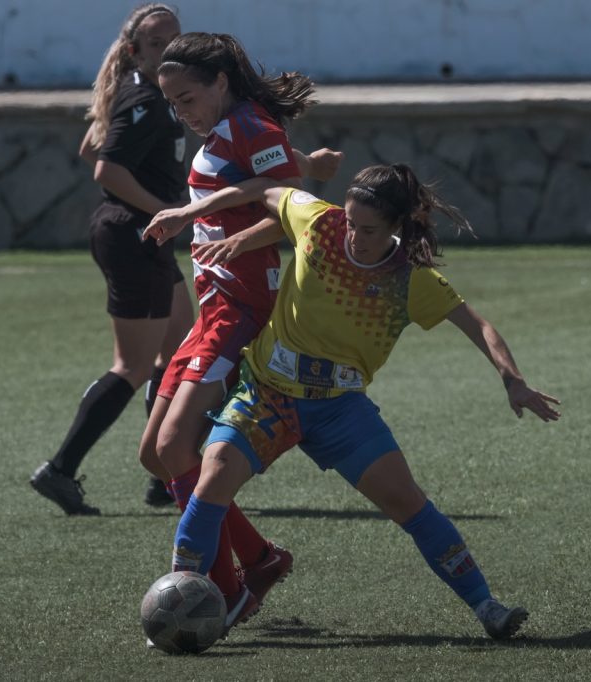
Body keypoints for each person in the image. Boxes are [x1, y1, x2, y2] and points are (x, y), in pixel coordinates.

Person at [146, 163, 561, 640]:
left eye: (369, 230)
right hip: (268, 395)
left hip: (338, 409)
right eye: (350, 222)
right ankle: (180, 600)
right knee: (213, 475)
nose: (354, 237)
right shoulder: (316, 220)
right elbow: (266, 189)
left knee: (408, 502)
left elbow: (478, 325)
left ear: (396, 227)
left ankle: (487, 606)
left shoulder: (411, 279)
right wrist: (189, 214)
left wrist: (513, 380)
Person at [135, 32, 338, 632]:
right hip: (213, 311)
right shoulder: (234, 127)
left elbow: (289, 205)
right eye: (173, 103)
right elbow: (273, 172)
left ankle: (225, 591)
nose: (182, 113)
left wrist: (200, 217)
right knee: (154, 455)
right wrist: (309, 162)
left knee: (175, 449)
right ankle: (260, 557)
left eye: (188, 98)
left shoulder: (250, 124)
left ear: (220, 82)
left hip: (243, 310)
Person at [30, 4, 192, 516]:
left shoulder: (150, 94)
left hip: (145, 235)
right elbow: (105, 170)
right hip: (134, 237)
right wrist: (166, 209)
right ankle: (60, 470)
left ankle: (164, 476)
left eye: (176, 40)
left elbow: (89, 147)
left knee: (182, 349)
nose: (170, 50)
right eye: (158, 43)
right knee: (133, 365)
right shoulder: (144, 99)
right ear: (135, 51)